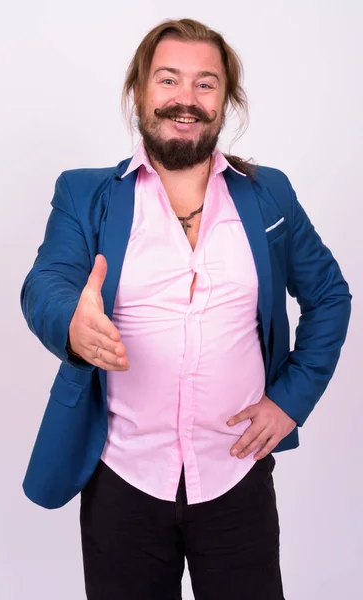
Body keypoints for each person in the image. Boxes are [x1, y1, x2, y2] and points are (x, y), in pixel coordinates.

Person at [20, 17, 352, 600]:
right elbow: (46, 280)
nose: (186, 100)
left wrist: (290, 401)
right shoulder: (86, 193)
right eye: (169, 80)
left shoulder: (269, 193)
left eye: (206, 84)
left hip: (236, 477)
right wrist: (72, 322)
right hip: (122, 479)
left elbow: (328, 295)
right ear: (140, 92)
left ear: (226, 101)